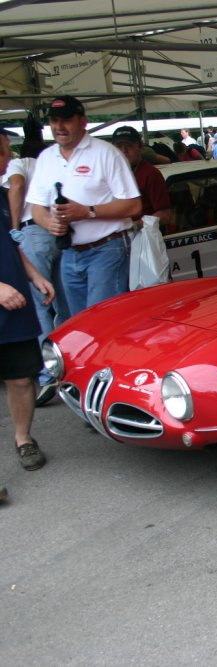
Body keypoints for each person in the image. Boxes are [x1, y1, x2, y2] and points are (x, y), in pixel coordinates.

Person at [26, 96, 141, 318]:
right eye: (54, 120)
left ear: (83, 121)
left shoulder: (106, 153)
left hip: (106, 248)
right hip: (68, 251)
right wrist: (50, 223)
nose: (59, 126)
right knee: (78, 324)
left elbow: (134, 205)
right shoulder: (46, 158)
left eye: (66, 120)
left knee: (102, 321)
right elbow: (36, 208)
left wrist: (87, 211)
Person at [1, 128, 56, 473]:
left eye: (6, 151)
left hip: (16, 300)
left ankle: (24, 439)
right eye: (1, 152)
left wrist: (35, 275)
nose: (7, 159)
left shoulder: (1, 195)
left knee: (22, 378)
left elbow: (10, 244)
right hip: (4, 294)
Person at [3, 137, 68, 407]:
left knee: (42, 306)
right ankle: (61, 368)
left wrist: (14, 229)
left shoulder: (16, 170)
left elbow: (16, 184)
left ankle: (49, 371)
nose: (8, 157)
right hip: (51, 233)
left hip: (34, 233)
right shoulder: (43, 165)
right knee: (59, 305)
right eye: (3, 152)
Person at [110, 126, 172, 229]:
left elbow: (165, 215)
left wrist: (134, 226)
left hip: (142, 238)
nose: (124, 150)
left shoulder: (151, 174)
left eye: (128, 146)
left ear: (140, 146)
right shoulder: (110, 174)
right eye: (119, 146)